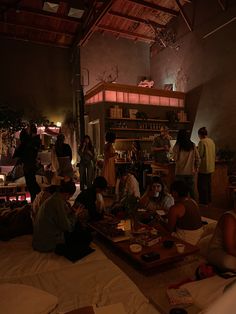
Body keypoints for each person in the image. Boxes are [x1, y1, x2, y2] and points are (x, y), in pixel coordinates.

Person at [33, 179, 92, 262]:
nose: (69, 199)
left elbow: (60, 216)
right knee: (86, 237)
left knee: (80, 231)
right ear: (67, 194)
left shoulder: (55, 198)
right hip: (46, 243)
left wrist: (71, 211)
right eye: (70, 196)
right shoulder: (57, 202)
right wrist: (76, 214)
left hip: (39, 240)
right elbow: (67, 227)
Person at [164, 180, 203, 245]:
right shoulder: (193, 201)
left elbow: (169, 229)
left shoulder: (175, 208)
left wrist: (159, 220)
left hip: (187, 239)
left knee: (158, 228)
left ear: (174, 192)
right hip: (199, 235)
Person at [13, 124, 41, 202]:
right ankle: (36, 198)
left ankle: (39, 197)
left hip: (29, 164)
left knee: (31, 182)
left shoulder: (33, 140)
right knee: (31, 182)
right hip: (29, 164)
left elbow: (26, 146)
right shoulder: (32, 140)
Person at [173, 129, 201, 199]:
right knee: (192, 191)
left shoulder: (177, 146)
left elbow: (175, 158)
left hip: (180, 172)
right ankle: (193, 206)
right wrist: (196, 168)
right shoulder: (193, 145)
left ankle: (182, 207)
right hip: (190, 172)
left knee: (180, 192)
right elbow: (198, 158)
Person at [197, 127, 215, 205]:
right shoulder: (211, 141)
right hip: (211, 166)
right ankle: (209, 200)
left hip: (204, 167)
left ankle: (204, 202)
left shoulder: (202, 142)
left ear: (200, 134)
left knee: (201, 185)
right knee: (208, 184)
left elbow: (200, 154)